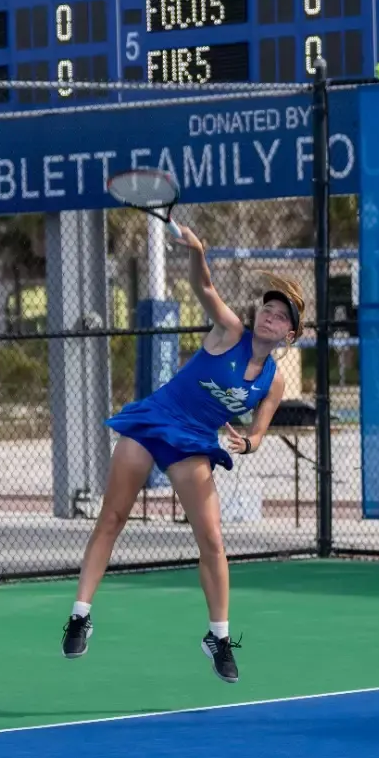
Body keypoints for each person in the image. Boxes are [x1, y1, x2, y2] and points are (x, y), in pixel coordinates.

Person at [63, 228, 306, 682]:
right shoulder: (230, 331)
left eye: (279, 316)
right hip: (154, 420)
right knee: (113, 518)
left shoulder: (273, 382)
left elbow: (258, 433)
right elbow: (205, 288)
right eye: (266, 309)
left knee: (212, 540)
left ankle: (218, 637)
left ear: (289, 333)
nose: (269, 316)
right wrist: (198, 252)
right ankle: (80, 615)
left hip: (193, 442)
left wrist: (246, 443)